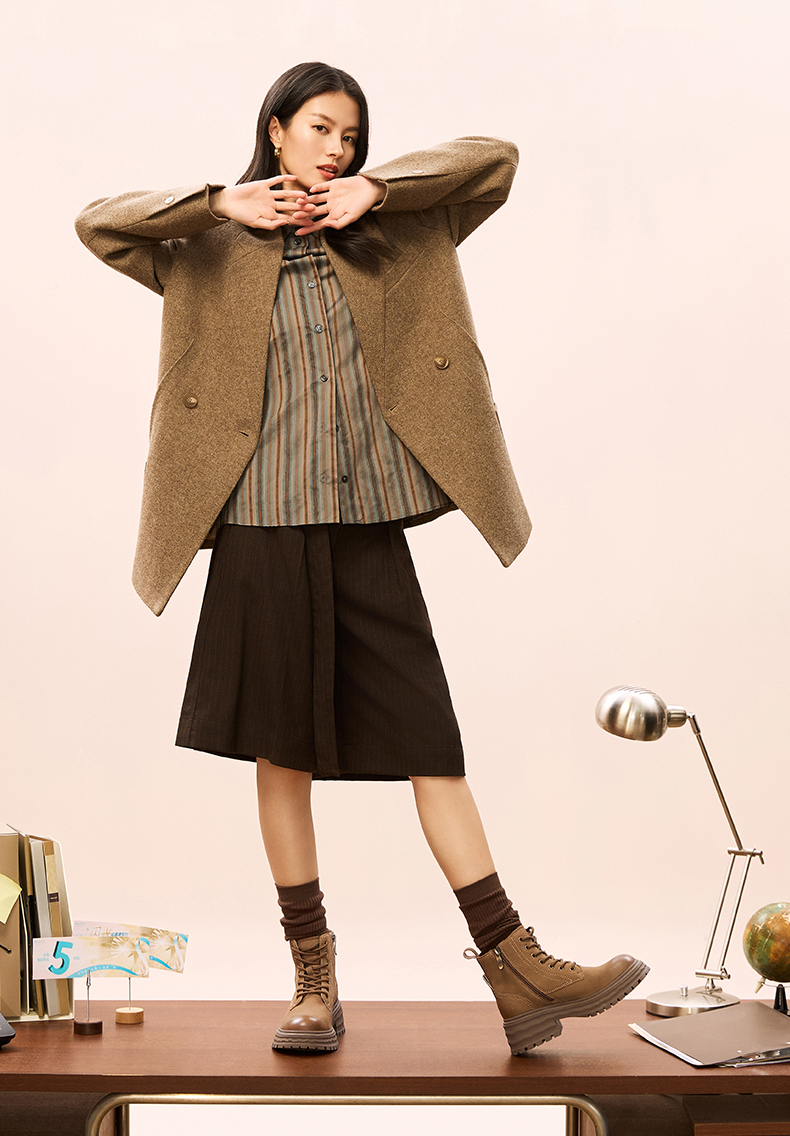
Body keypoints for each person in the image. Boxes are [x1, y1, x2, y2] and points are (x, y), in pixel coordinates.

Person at [75, 61, 647, 1056]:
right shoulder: (204, 243)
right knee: (281, 754)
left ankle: (514, 964)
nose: (335, 148)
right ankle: (312, 980)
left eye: (350, 135)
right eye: (319, 129)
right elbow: (99, 223)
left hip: (365, 519)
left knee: (431, 743)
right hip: (259, 523)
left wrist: (377, 190)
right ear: (276, 128)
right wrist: (217, 202)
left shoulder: (401, 227)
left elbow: (494, 162)